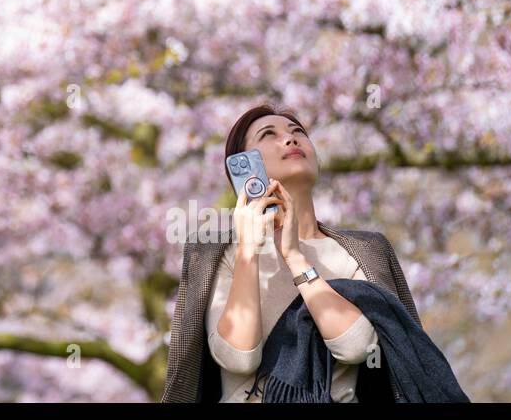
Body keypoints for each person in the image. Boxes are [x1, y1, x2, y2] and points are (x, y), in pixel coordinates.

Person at [160, 102, 423, 403]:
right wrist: (248, 251)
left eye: (298, 132)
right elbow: (238, 357)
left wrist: (295, 256)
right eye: (268, 134)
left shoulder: (362, 251)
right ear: (243, 164)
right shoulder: (215, 256)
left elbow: (356, 346)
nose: (290, 139)